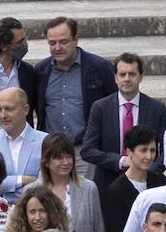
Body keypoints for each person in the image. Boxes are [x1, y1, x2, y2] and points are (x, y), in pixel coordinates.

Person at [80, 53, 166, 194]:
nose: (127, 79)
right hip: (108, 185)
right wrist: (121, 161)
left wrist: (145, 170)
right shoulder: (101, 108)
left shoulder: (156, 108)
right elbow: (88, 150)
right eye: (122, 74)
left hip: (147, 186)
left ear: (141, 76)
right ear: (115, 78)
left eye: (132, 74)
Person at [38, 133, 109, 232]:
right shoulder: (34, 191)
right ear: (46, 161)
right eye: (58, 158)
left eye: (68, 157)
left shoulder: (89, 188)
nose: (65, 162)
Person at [34, 16, 117, 151]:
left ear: (76, 39)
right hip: (51, 150)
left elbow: (114, 105)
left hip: (87, 150)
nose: (57, 48)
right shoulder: (41, 71)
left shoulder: (99, 67)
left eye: (63, 42)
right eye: (52, 43)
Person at [103, 126, 166, 232]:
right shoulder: (116, 190)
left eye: (152, 150)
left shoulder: (160, 180)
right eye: (143, 150)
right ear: (129, 152)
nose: (149, 156)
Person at [0, 88, 48, 197]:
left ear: (26, 110)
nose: (3, 115)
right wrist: (21, 180)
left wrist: (1, 184)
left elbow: (47, 183)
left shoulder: (45, 142)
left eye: (9, 109)